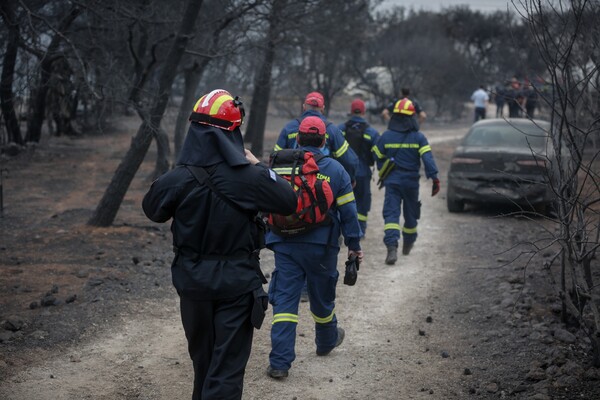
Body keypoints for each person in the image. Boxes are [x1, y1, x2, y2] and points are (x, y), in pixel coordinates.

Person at [142, 89, 297, 400]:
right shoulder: (250, 178)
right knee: (224, 373)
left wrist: (175, 175)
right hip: (237, 286)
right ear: (233, 133)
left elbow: (152, 209)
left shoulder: (179, 179)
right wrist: (259, 167)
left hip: (193, 286)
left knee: (204, 366)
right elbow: (288, 200)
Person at [266, 116, 363, 379]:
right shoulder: (335, 169)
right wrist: (354, 245)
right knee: (321, 297)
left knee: (285, 301)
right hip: (322, 246)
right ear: (324, 140)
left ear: (297, 138)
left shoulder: (280, 166)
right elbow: (349, 211)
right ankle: (326, 341)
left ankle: (279, 363)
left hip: (285, 243)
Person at [373, 98, 440, 265]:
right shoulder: (419, 137)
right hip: (411, 183)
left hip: (392, 182)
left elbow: (377, 155)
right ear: (412, 117)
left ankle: (391, 248)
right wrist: (435, 178)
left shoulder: (386, 136)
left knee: (391, 214)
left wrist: (383, 169)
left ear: (394, 117)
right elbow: (428, 159)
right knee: (411, 215)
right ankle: (408, 242)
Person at [274, 91, 359, 183]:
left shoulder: (289, 128)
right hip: (323, 184)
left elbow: (275, 157)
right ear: (322, 109)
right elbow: (349, 161)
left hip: (293, 184)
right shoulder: (332, 130)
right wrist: (351, 179)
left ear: (304, 107)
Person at [338, 98, 380, 236]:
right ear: (364, 112)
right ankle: (360, 229)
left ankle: (343, 230)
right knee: (362, 201)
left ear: (351, 112)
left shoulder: (340, 129)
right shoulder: (371, 132)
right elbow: (378, 154)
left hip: (343, 174)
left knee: (342, 201)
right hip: (363, 173)